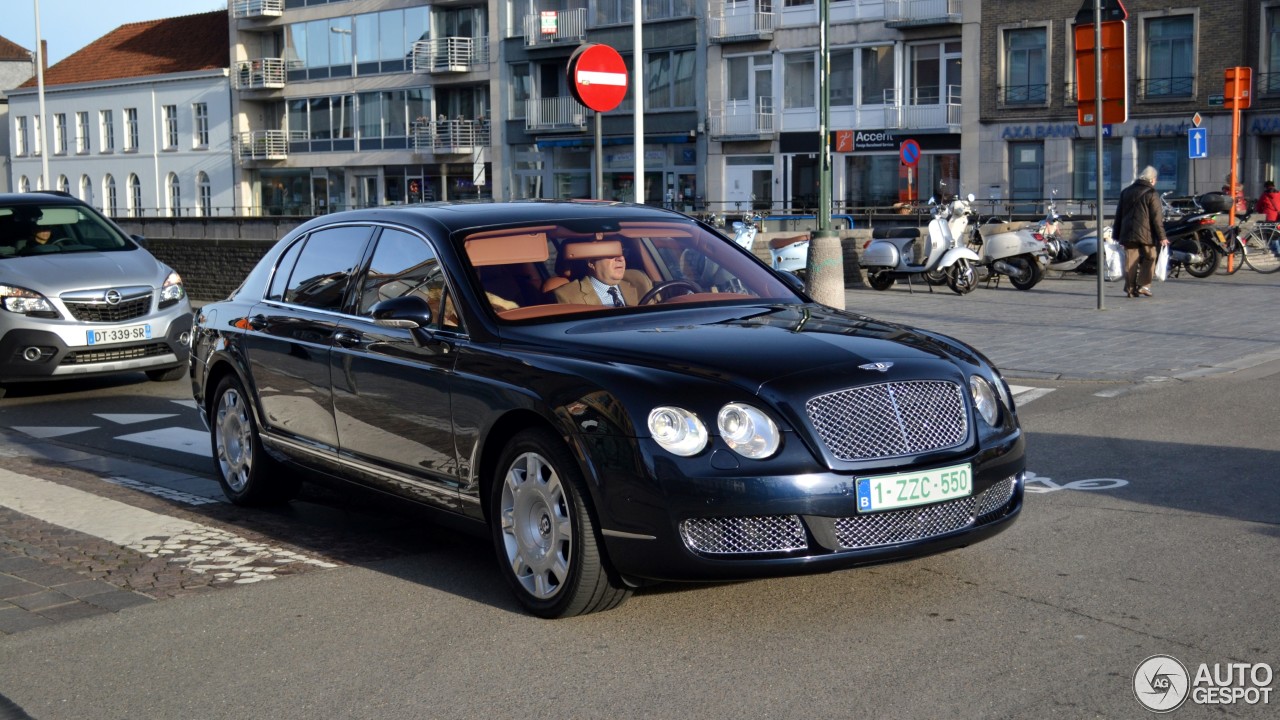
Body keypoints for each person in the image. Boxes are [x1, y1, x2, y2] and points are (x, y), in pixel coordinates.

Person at [1112, 166, 1169, 298]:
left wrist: (1116, 234)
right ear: (1153, 179)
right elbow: (1156, 218)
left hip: (1127, 232)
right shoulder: (1152, 193)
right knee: (1151, 257)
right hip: (1146, 234)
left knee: (1130, 260)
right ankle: (1144, 285)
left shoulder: (1126, 191)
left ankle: (1130, 289)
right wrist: (1162, 236)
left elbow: (1119, 214)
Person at [552, 252, 646, 306]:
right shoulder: (567, 296)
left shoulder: (639, 280)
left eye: (622, 252)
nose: (621, 258)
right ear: (591, 262)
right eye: (611, 254)